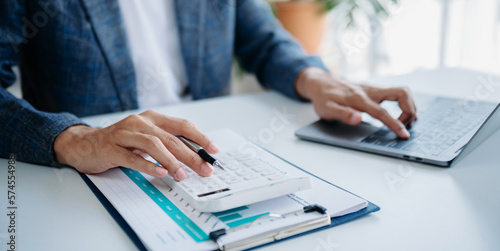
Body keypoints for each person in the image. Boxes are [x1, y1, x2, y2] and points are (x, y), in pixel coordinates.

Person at [0, 0, 416, 181]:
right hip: (94, 179)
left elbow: (263, 40)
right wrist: (74, 139)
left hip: (215, 157)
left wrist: (314, 79)